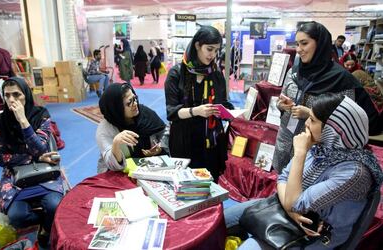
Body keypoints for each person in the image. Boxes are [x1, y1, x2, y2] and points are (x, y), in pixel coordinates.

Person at [225, 93, 383, 249]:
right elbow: (282, 179)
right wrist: (292, 211)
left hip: (316, 235)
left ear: (334, 130)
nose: (306, 123)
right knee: (221, 219)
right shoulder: (321, 148)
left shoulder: (355, 173)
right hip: (286, 212)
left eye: (313, 120)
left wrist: (300, 153)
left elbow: (296, 203)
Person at [272, 21, 380, 174]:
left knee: (304, 194)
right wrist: (281, 105)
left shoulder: (340, 79)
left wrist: (309, 113)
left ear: (320, 44)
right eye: (297, 44)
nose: (299, 50)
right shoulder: (295, 71)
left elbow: (344, 123)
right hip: (286, 141)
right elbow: (280, 98)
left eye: (304, 43)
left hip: (316, 152)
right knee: (282, 183)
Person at [0, 77, 64, 247]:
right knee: (16, 216)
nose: (11, 100)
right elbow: (1, 158)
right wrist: (34, 156)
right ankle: (44, 220)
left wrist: (24, 121)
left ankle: (46, 228)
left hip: (44, 172)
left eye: (16, 95)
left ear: (27, 95)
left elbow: (40, 148)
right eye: (7, 95)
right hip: (15, 177)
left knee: (55, 205)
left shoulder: (41, 115)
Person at [164, 26, 233, 182]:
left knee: (212, 186)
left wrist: (232, 112)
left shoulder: (215, 73)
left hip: (212, 144)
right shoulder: (177, 73)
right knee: (186, 188)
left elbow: (223, 103)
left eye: (216, 50)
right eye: (209, 49)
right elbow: (172, 112)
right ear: (197, 45)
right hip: (184, 142)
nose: (213, 55)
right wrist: (196, 111)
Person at [96, 83, 166, 173]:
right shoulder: (105, 129)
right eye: (129, 103)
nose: (135, 104)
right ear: (117, 108)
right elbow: (112, 165)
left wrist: (160, 147)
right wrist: (116, 143)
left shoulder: (145, 113)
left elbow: (165, 132)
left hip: (148, 169)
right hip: (119, 175)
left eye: (135, 98)